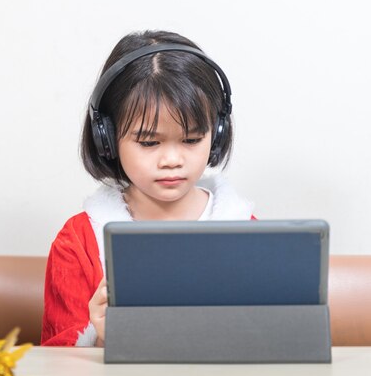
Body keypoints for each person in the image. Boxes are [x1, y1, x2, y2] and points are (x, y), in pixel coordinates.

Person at [41, 30, 255, 347]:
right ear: (108, 139)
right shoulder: (78, 243)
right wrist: (100, 339)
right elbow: (57, 374)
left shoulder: (249, 234)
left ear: (217, 134)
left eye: (192, 140)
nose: (171, 159)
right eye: (149, 142)